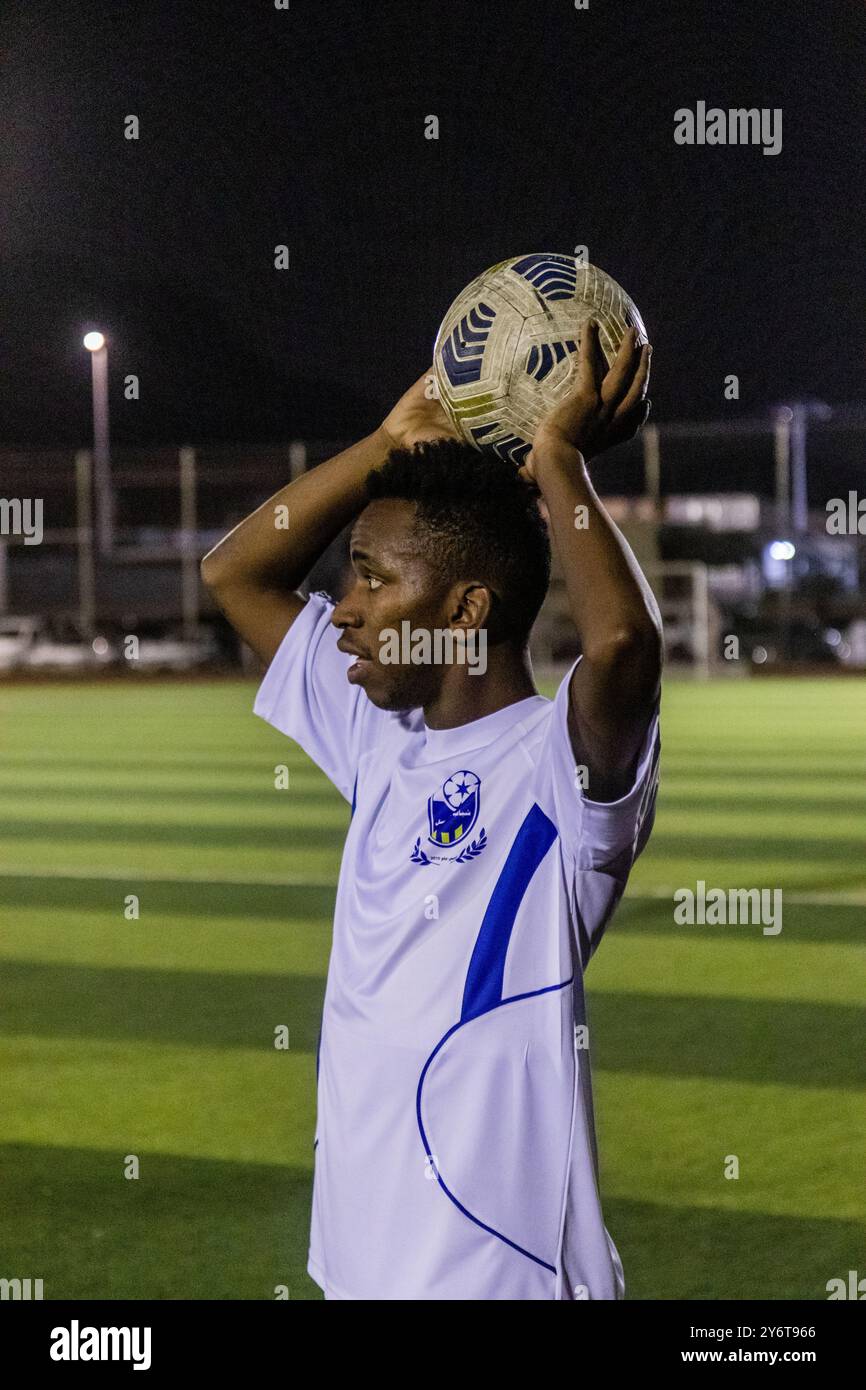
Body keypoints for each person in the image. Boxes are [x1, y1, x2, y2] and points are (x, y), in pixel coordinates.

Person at [201, 321, 662, 1300]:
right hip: (361, 1261)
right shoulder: (381, 738)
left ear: (462, 612)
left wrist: (556, 463)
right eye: (348, 576)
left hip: (504, 1273)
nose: (343, 608)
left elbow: (620, 646)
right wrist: (379, 449)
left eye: (372, 577)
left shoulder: (554, 767)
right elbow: (233, 573)